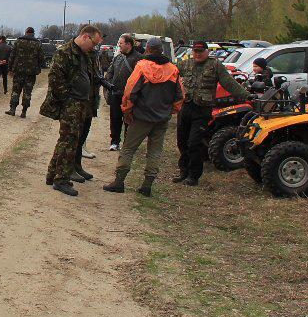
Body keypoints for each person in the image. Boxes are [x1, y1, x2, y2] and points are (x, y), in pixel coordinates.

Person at [103, 37, 183, 197]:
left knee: (128, 149)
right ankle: (147, 186)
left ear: (147, 49)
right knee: (155, 152)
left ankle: (119, 182)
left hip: (141, 117)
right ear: (161, 50)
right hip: (161, 119)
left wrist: (127, 111)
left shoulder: (142, 66)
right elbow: (179, 96)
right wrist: (170, 112)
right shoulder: (173, 70)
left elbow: (129, 92)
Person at [175, 40, 250, 186]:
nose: (197, 54)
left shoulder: (215, 65)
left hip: (202, 110)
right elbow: (170, 75)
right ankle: (183, 171)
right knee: (182, 142)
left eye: (200, 51)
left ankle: (193, 176)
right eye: (195, 51)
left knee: (194, 143)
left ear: (207, 52)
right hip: (185, 107)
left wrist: (246, 95)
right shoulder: (185, 64)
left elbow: (229, 83)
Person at [40, 24, 103, 196]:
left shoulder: (85, 54)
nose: (94, 47)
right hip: (71, 104)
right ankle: (61, 180)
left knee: (67, 140)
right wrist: (68, 99)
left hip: (81, 103)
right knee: (69, 142)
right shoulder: (65, 52)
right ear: (85, 37)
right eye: (93, 43)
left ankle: (52, 175)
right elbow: (55, 79)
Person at [106, 34, 143, 151]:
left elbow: (141, 78)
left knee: (129, 121)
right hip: (116, 95)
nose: (119, 46)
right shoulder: (118, 58)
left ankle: (127, 144)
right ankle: (114, 142)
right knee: (115, 119)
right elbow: (110, 73)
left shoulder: (139, 59)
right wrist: (110, 85)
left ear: (128, 44)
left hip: (130, 97)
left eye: (121, 43)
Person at [6, 27, 45, 118]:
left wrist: (10, 69)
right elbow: (41, 58)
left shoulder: (18, 42)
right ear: (33, 33)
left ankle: (12, 109)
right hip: (31, 73)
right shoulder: (37, 44)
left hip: (18, 71)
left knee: (16, 90)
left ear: (26, 32)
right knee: (27, 92)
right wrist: (38, 68)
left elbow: (12, 56)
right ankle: (24, 112)